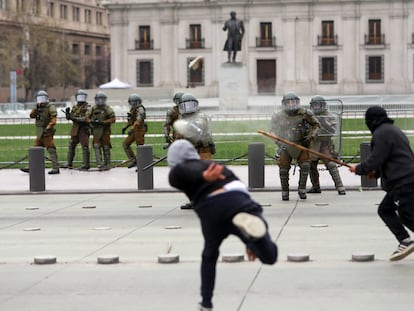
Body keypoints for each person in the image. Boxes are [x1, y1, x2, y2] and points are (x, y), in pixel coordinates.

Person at [167, 139, 278, 311]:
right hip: (240, 201)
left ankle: (206, 303)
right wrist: (251, 242)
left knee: (209, 255)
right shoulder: (216, 165)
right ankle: (252, 237)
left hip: (212, 207)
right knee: (270, 256)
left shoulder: (184, 169)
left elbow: (176, 176)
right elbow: (241, 188)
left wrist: (203, 178)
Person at [349, 106, 414, 261]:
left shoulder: (381, 133)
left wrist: (359, 169)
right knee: (385, 210)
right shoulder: (392, 130)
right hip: (404, 179)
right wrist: (376, 173)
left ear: (371, 121)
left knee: (407, 215)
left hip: (403, 181)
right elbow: (387, 158)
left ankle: (405, 241)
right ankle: (405, 241)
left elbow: (376, 158)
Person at [270, 92, 319, 201]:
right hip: (285, 145)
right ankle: (285, 192)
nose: (292, 104)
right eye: (289, 102)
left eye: (294, 102)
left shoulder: (305, 113)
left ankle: (302, 189)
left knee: (306, 166)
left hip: (301, 144)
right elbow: (272, 131)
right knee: (283, 169)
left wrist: (311, 137)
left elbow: (316, 125)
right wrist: (277, 141)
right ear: (284, 104)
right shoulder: (278, 116)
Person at [173, 93, 216, 209]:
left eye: (190, 105)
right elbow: (180, 133)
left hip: (202, 150)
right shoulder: (182, 118)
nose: (188, 108)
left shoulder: (200, 116)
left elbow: (199, 125)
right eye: (185, 105)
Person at [307, 95, 346, 195]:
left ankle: (340, 187)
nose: (316, 107)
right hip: (313, 144)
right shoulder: (309, 116)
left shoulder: (328, 115)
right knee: (311, 165)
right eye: (314, 105)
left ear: (323, 105)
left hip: (325, 143)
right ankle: (315, 187)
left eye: (318, 105)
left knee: (331, 164)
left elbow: (332, 130)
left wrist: (323, 122)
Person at [29, 90, 60, 174]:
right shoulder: (37, 108)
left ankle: (55, 167)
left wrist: (49, 126)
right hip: (40, 133)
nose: (41, 101)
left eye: (43, 98)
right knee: (35, 150)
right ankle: (32, 166)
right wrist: (36, 108)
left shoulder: (50, 107)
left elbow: (54, 119)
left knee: (51, 149)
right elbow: (31, 115)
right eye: (39, 99)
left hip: (47, 133)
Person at [64, 89, 91, 170]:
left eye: (82, 97)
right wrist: (68, 115)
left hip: (83, 128)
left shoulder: (88, 107)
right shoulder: (75, 107)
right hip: (75, 129)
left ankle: (86, 164)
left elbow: (86, 118)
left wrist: (74, 118)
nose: (81, 98)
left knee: (85, 146)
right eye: (79, 97)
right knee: (71, 145)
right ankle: (69, 163)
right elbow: (70, 117)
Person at [89, 91, 116, 171]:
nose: (100, 101)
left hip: (105, 130)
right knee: (96, 147)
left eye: (102, 99)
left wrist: (104, 122)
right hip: (96, 131)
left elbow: (113, 119)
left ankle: (107, 163)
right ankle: (99, 164)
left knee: (106, 147)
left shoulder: (108, 109)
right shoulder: (93, 108)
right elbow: (87, 118)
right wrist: (91, 122)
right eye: (99, 99)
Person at [121, 93, 147, 168]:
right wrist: (125, 127)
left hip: (139, 130)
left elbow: (138, 121)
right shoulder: (133, 109)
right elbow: (131, 120)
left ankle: (142, 165)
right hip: (134, 130)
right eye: (131, 102)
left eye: (133, 102)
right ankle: (133, 160)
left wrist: (132, 129)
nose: (132, 104)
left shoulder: (140, 109)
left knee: (140, 147)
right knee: (125, 144)